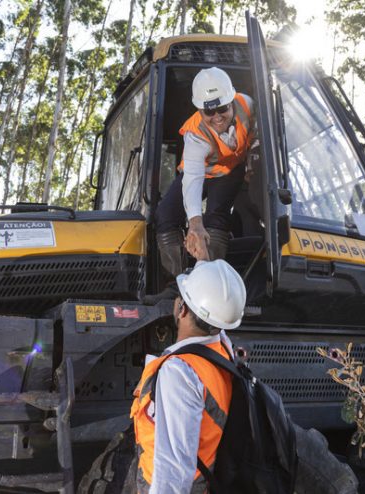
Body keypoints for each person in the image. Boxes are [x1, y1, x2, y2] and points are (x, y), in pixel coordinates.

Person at [130, 259, 246, 493]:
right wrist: (203, 260)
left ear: (181, 309)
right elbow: (216, 307)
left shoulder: (180, 372)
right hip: (203, 470)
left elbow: (174, 468)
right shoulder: (223, 348)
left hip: (164, 482)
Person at [155, 67, 257, 277]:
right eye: (209, 112)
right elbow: (193, 179)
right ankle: (178, 283)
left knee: (216, 215)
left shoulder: (247, 105)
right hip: (202, 172)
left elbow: (259, 133)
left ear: (232, 102)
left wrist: (252, 162)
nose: (217, 117)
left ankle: (212, 279)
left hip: (230, 170)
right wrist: (195, 225)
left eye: (222, 109)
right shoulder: (195, 134)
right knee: (165, 214)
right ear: (200, 111)